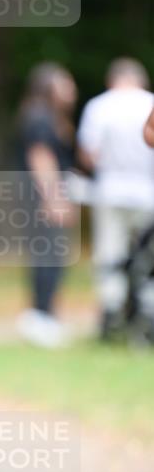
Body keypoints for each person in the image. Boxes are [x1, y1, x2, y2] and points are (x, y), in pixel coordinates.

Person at [77, 58, 154, 339]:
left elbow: (89, 153)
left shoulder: (99, 106)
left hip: (110, 190)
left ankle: (111, 313)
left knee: (110, 254)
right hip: (147, 192)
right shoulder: (150, 103)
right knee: (148, 256)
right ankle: (147, 314)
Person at [16, 62, 78, 349]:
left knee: (52, 254)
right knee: (47, 254)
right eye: (64, 82)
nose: (71, 88)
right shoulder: (39, 117)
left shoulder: (51, 117)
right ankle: (40, 316)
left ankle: (46, 314)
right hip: (43, 195)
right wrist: (53, 198)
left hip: (47, 193)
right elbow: (41, 159)